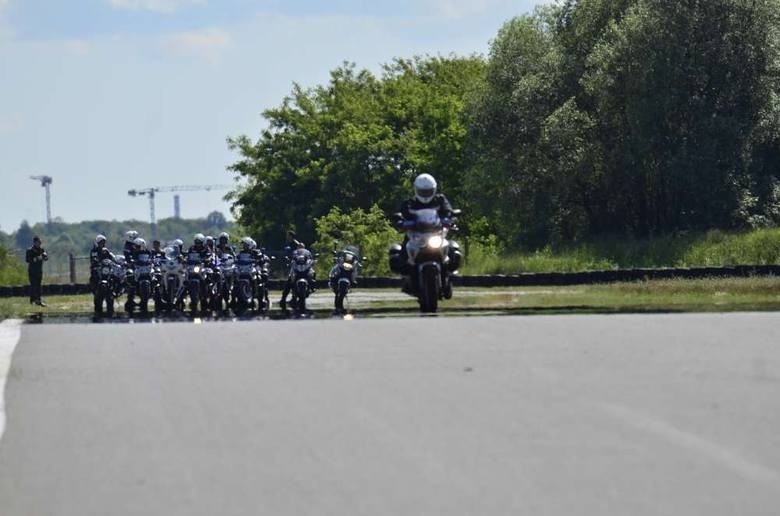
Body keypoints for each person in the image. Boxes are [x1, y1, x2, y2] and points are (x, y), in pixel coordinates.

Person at [390, 173, 457, 292]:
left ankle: (449, 276)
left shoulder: (440, 200)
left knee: (453, 250)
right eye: (422, 191)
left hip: (436, 233)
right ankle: (407, 278)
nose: (425, 194)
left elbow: (448, 211)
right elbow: (401, 215)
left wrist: (450, 218)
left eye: (428, 191)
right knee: (403, 253)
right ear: (416, 190)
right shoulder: (409, 203)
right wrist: (400, 222)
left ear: (434, 189)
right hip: (415, 235)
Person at [279, 241, 316, 310]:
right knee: (289, 281)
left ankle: (312, 287)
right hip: (296, 269)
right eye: (299, 247)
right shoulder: (295, 252)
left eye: (301, 247)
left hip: (306, 268)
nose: (300, 248)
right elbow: (291, 259)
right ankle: (283, 299)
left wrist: (313, 261)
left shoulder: (307, 252)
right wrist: (289, 261)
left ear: (304, 247)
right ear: (297, 247)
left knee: (313, 273)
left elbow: (311, 259)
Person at [25, 236, 48, 306]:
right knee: (33, 286)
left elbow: (46, 258)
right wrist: (36, 258)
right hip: (32, 271)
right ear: (35, 242)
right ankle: (34, 301)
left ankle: (38, 301)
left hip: (39, 271)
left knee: (38, 286)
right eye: (38, 242)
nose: (40, 243)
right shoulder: (30, 250)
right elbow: (27, 260)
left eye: (40, 242)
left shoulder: (41, 250)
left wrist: (45, 256)